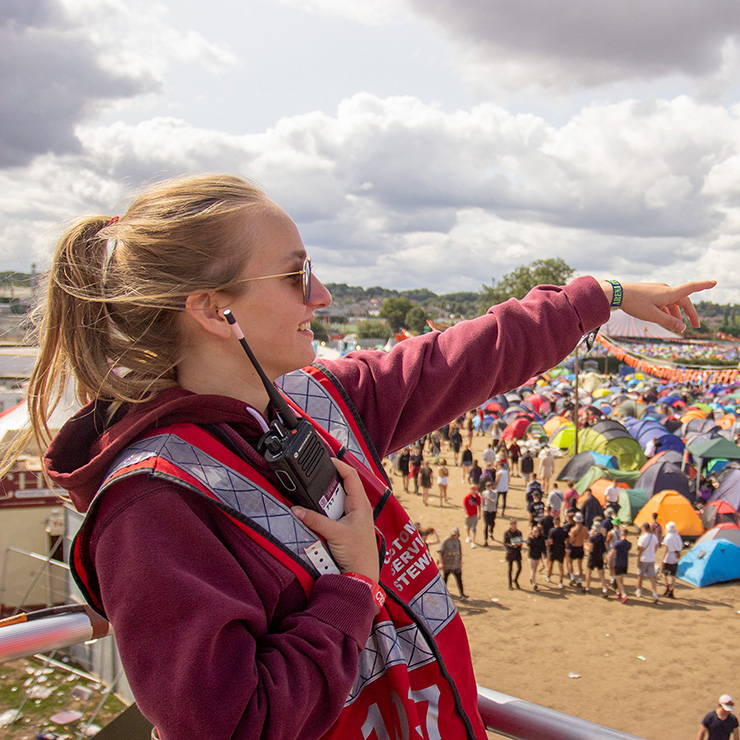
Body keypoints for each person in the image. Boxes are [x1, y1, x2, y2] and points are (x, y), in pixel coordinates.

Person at [4, 172, 712, 738]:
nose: (323, 294)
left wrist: (605, 296)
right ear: (213, 310)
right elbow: (228, 723)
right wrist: (354, 586)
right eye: (295, 275)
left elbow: (463, 357)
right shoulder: (153, 503)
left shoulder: (318, 402)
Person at [438, 528, 468, 600]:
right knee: (445, 579)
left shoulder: (458, 541)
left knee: (459, 579)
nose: (455, 537)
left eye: (457, 535)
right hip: (448, 564)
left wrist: (460, 561)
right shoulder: (446, 541)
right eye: (454, 535)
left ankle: (462, 594)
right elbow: (440, 551)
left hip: (456, 564)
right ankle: (442, 594)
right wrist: (441, 562)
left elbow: (459, 552)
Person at [637, 522, 661, 603]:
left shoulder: (642, 538)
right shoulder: (654, 537)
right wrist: (652, 554)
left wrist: (638, 560)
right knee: (652, 578)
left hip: (643, 559)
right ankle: (655, 593)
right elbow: (656, 547)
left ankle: (639, 590)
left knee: (640, 576)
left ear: (644, 528)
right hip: (651, 559)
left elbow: (640, 550)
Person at [584, 523, 609, 598]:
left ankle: (587, 588)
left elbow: (590, 549)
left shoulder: (592, 538)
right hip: (600, 556)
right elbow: (605, 547)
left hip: (592, 557)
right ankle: (604, 589)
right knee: (601, 574)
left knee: (588, 572)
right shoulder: (602, 537)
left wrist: (585, 546)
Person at [609, 526, 632, 604]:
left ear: (622, 533)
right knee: (621, 578)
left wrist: (609, 562)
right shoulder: (629, 544)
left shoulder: (617, 543)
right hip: (625, 563)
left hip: (618, 563)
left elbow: (611, 554)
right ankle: (618, 592)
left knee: (618, 580)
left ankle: (624, 595)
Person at [661, 521, 683, 599]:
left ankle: (667, 586)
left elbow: (666, 549)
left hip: (668, 556)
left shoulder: (668, 537)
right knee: (673, 575)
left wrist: (662, 559)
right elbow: (680, 546)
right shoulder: (677, 536)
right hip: (675, 556)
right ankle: (672, 590)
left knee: (663, 573)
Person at [546, 516, 567, 588]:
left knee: (550, 564)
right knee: (561, 566)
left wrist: (547, 546)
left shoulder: (552, 531)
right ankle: (560, 581)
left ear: (554, 522)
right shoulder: (564, 530)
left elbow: (550, 541)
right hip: (561, 549)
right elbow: (567, 541)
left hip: (553, 549)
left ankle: (548, 576)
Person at [504, 519, 524, 590]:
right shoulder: (507, 533)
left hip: (517, 552)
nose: (514, 526)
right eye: (513, 525)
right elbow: (506, 543)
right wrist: (512, 546)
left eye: (515, 524)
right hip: (510, 553)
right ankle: (510, 584)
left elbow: (521, 541)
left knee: (520, 567)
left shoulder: (519, 533)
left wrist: (519, 544)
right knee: (510, 569)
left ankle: (515, 579)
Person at [527, 523, 546, 591]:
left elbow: (543, 547)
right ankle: (534, 583)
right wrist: (530, 539)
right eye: (533, 531)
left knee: (534, 569)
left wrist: (544, 554)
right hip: (531, 555)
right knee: (533, 569)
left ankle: (531, 578)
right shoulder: (531, 538)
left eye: (536, 531)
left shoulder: (541, 538)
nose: (534, 532)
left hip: (538, 555)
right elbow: (528, 544)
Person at [481, 480, 498, 546]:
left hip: (493, 510)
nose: (488, 488)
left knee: (492, 523)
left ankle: (491, 532)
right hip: (486, 510)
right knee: (486, 525)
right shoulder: (484, 493)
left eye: (489, 486)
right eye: (487, 487)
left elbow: (495, 501)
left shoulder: (495, 493)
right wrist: (482, 509)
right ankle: (485, 540)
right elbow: (482, 502)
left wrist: (489, 499)